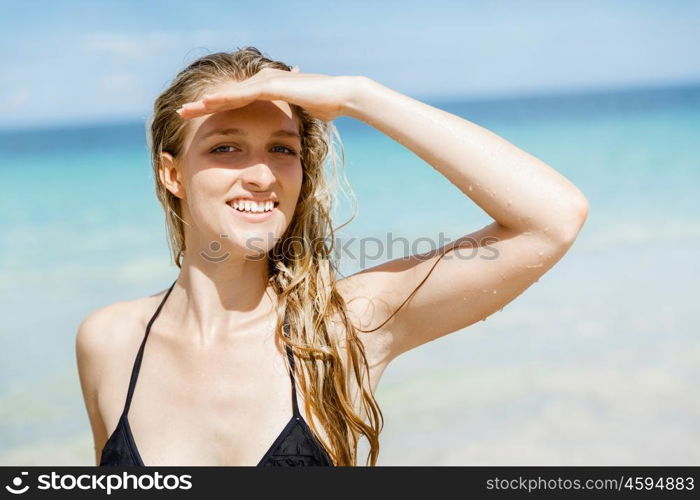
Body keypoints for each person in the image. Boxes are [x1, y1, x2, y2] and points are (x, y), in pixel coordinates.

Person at [76, 46, 589, 467]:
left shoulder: (342, 328)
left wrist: (356, 96)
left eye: (282, 149)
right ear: (172, 174)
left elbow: (552, 220)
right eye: (226, 148)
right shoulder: (109, 341)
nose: (261, 175)